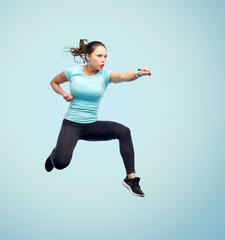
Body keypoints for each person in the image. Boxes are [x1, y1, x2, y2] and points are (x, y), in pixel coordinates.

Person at [45, 39, 151, 197]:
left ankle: (131, 179)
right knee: (60, 163)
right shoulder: (72, 72)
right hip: (72, 125)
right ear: (88, 56)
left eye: (106, 56)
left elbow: (123, 76)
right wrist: (64, 94)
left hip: (91, 126)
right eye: (99, 55)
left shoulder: (105, 75)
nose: (103, 60)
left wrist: (138, 73)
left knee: (124, 131)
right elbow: (54, 82)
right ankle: (57, 151)